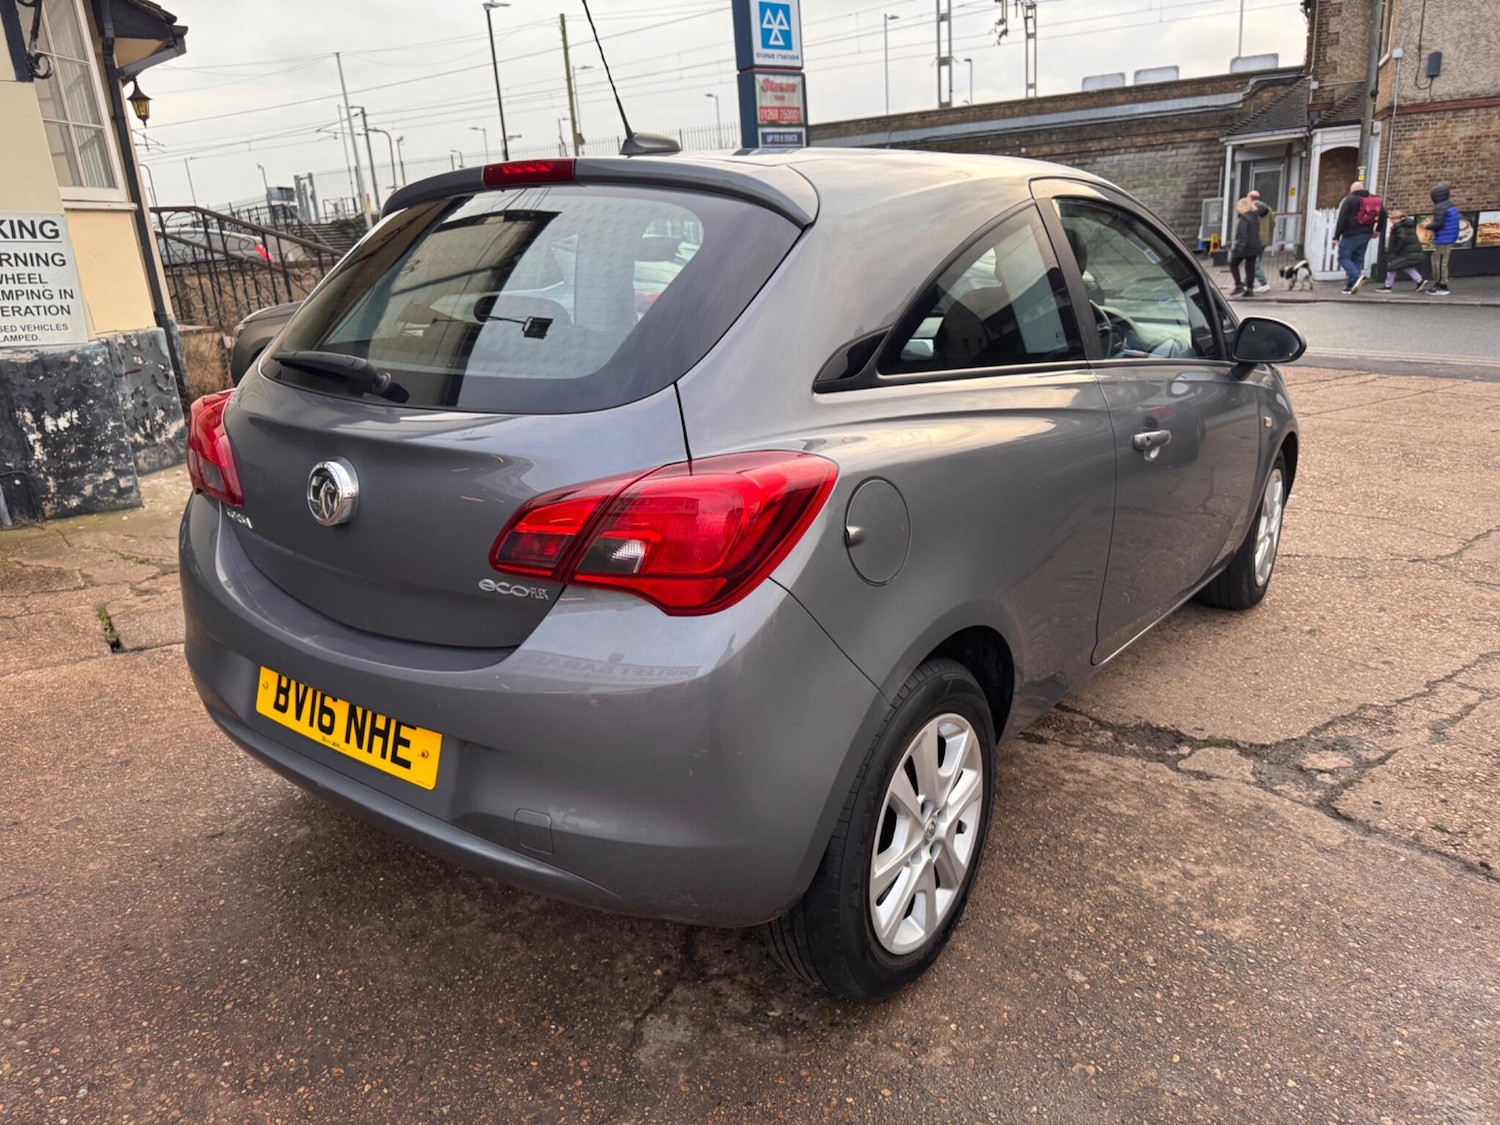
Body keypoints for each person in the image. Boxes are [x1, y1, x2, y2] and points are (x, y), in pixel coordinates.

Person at [1332, 179, 1383, 295]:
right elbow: (1383, 215)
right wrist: (1378, 230)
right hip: (1366, 234)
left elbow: (1342, 219)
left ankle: (1356, 276)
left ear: (1352, 190)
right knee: (1357, 259)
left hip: (1350, 234)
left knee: (1343, 258)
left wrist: (1336, 236)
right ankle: (1351, 286)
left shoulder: (1349, 200)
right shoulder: (1375, 199)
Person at [1377, 209, 1428, 292]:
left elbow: (1402, 239)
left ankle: (1388, 286)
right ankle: (1420, 280)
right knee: (1406, 266)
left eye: (1392, 219)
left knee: (1392, 266)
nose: (1391, 221)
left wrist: (1395, 249)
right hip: (1409, 252)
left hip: (1404, 252)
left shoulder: (1400, 228)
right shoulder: (1406, 225)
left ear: (1397, 219)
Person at [1424, 183, 1460, 296]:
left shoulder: (1440, 207)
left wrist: (1427, 225)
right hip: (1448, 237)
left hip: (1443, 238)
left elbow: (1437, 224)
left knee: (1439, 262)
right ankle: (1440, 283)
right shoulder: (1450, 205)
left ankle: (1441, 285)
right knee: (1441, 261)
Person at [1228, 197, 1262, 298]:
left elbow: (1243, 235)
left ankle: (1238, 285)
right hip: (1255, 246)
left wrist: (1238, 248)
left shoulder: (1244, 218)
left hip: (1245, 246)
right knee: (1250, 268)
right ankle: (1250, 289)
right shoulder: (1255, 217)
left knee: (1233, 263)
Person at [1247, 189, 1274, 292]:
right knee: (1254, 261)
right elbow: (1273, 224)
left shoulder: (1251, 210)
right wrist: (1266, 232)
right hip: (1264, 239)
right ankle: (1247, 284)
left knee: (1254, 262)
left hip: (1254, 239)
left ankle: (1264, 283)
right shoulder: (1269, 209)